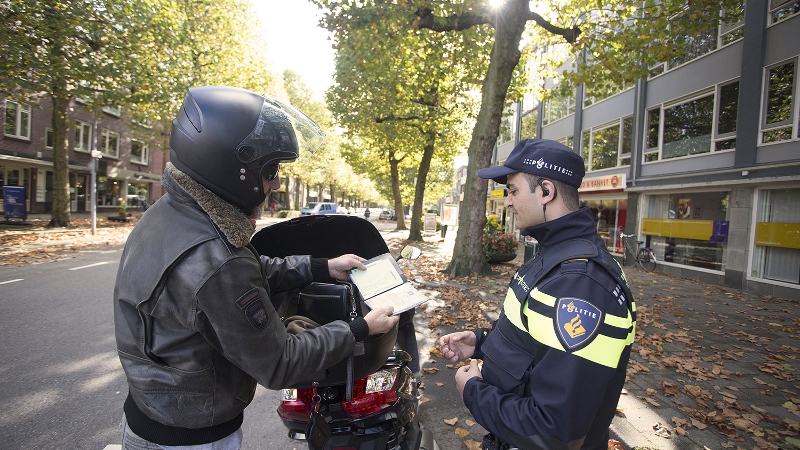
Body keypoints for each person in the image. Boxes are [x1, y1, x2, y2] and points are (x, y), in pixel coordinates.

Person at [114, 86, 398, 449]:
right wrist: (359, 328)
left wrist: (321, 266)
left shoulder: (172, 214)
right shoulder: (217, 257)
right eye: (270, 170)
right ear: (234, 170)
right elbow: (280, 362)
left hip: (153, 410)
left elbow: (247, 269)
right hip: (193, 437)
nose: (277, 182)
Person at [438, 138, 636, 450]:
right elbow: (537, 344)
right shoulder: (553, 255)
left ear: (546, 191)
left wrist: (473, 391)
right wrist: (481, 342)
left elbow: (554, 431)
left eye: (513, 190)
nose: (507, 202)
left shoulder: (580, 285)